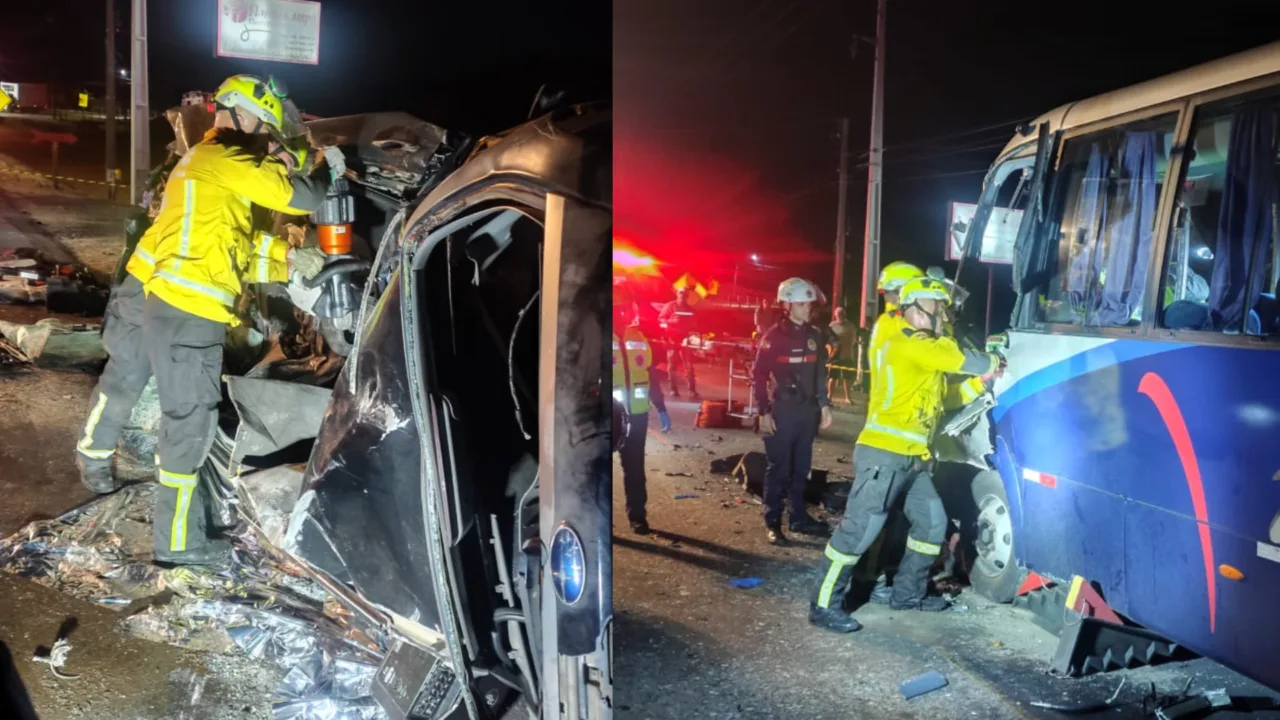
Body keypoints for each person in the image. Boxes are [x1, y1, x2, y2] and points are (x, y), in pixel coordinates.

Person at [73, 74, 335, 566]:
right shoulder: (226, 158)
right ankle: (178, 543)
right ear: (244, 113)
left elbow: (231, 251)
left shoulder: (209, 162)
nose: (267, 143)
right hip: (181, 306)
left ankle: (92, 459)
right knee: (185, 422)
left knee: (127, 381)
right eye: (265, 130)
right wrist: (327, 167)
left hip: (158, 292)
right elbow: (303, 197)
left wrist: (287, 259)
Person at [808, 276, 1004, 633]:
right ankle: (823, 605)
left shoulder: (924, 351)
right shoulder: (907, 342)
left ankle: (907, 594)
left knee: (932, 525)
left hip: (913, 460)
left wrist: (980, 384)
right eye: (937, 306)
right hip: (884, 457)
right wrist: (993, 358)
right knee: (857, 534)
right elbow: (962, 359)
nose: (943, 313)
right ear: (915, 308)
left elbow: (945, 399)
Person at [752, 278, 835, 545]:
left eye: (809, 304)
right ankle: (773, 522)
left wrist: (824, 405)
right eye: (801, 304)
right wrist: (763, 411)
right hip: (782, 411)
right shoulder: (773, 337)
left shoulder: (814, 335)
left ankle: (799, 516)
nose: (807, 308)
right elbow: (758, 375)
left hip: (807, 412)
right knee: (778, 470)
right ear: (786, 305)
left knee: (802, 469)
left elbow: (820, 373)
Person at [614, 281, 658, 534]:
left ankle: (638, 517)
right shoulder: (597, 338)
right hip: (608, 416)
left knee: (635, 470)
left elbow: (650, 372)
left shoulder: (639, 338)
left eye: (626, 309)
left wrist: (660, 405)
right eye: (618, 309)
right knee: (601, 474)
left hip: (637, 416)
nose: (624, 314)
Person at [658, 286, 699, 400]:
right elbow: (661, 319)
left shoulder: (690, 310)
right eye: (681, 293)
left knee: (688, 366)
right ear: (677, 294)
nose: (683, 296)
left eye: (685, 294)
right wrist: (671, 322)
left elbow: (694, 324)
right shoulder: (670, 306)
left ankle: (692, 390)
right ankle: (673, 389)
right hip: (672, 338)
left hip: (685, 339)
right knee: (672, 365)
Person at [826, 306, 856, 405]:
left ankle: (848, 397)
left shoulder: (850, 326)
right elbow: (828, 341)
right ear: (835, 315)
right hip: (835, 356)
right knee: (833, 377)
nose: (840, 315)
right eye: (838, 314)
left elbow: (853, 341)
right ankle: (829, 396)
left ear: (845, 314)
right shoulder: (832, 326)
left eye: (842, 313)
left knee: (847, 377)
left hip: (847, 355)